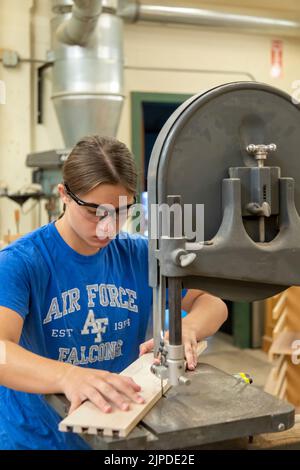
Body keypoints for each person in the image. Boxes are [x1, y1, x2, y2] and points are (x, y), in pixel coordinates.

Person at [0, 135, 228, 450]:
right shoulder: (21, 262)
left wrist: (186, 328)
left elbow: (212, 302)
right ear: (64, 195)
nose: (108, 226)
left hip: (115, 436)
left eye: (121, 212)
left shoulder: (138, 255)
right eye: (95, 211)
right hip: (37, 439)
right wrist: (68, 376)